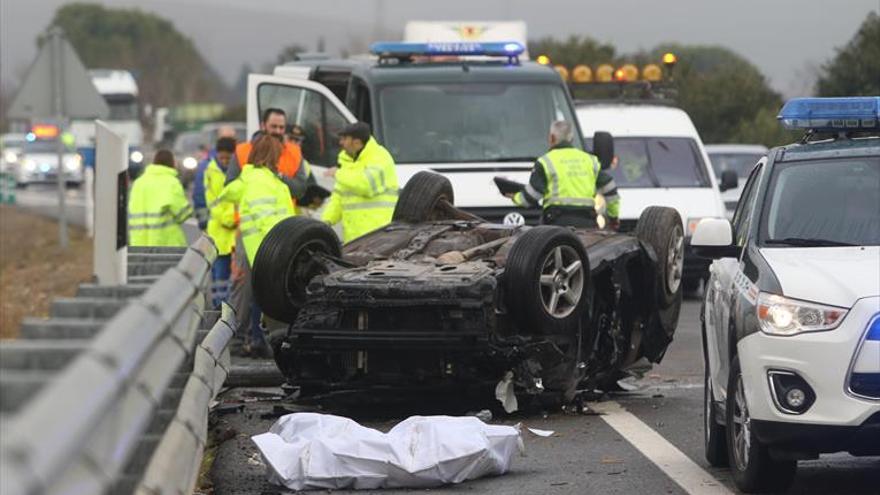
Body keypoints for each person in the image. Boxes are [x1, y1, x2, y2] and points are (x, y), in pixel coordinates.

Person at [219, 135, 295, 356]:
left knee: (242, 295)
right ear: (272, 155)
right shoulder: (263, 181)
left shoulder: (253, 179)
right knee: (270, 299)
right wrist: (285, 243)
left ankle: (231, 341)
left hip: (254, 247)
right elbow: (266, 217)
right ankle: (274, 345)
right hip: (267, 249)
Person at [507, 121, 620, 229]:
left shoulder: (545, 161)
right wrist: (613, 217)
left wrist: (515, 197)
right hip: (587, 222)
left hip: (556, 223)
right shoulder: (590, 160)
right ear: (571, 139)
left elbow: (533, 196)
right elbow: (610, 189)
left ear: (552, 138)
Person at [225, 108, 317, 208]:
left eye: (281, 127)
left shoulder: (294, 152)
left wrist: (278, 176)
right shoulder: (242, 151)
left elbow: (300, 190)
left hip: (283, 219)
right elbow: (230, 188)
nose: (278, 131)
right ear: (263, 126)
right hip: (251, 219)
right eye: (273, 126)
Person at [322, 122, 399, 243]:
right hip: (353, 239)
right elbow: (338, 197)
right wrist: (325, 221)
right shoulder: (346, 162)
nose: (341, 142)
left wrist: (338, 173)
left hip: (378, 236)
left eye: (345, 139)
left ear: (356, 142)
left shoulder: (380, 158)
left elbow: (366, 185)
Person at [128, 149, 192, 246]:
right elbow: (183, 215)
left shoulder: (138, 183)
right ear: (172, 163)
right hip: (166, 243)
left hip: (139, 242)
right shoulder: (172, 183)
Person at [204, 137, 237, 307]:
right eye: (222, 157)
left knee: (235, 280)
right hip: (219, 231)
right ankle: (219, 310)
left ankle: (231, 311)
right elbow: (212, 201)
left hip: (235, 232)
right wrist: (227, 218)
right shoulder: (210, 172)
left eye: (228, 158)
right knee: (219, 277)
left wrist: (232, 218)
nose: (224, 161)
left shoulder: (240, 171)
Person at [193, 125, 238, 230]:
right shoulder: (207, 166)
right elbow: (200, 193)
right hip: (217, 225)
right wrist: (203, 220)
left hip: (236, 224)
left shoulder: (240, 163)